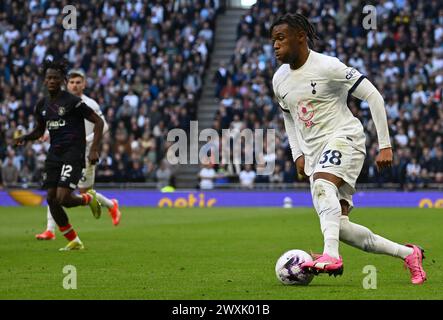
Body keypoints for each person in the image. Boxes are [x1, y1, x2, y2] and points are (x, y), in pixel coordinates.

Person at [271, 13, 426, 284]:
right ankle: (409, 254)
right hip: (315, 153)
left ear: (300, 37)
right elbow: (289, 116)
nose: (275, 45)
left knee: (322, 185)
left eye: (281, 38)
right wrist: (297, 153)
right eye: (273, 40)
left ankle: (331, 255)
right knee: (340, 227)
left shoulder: (328, 66)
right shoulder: (279, 80)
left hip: (346, 138)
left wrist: (385, 145)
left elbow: (373, 95)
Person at [14, 59, 104, 251]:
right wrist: (26, 137)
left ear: (62, 80)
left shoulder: (73, 102)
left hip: (74, 153)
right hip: (54, 154)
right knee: (51, 198)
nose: (52, 81)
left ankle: (88, 199)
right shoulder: (42, 105)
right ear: (45, 81)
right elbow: (40, 130)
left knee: (63, 198)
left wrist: (94, 148)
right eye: (49, 78)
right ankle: (74, 241)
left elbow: (99, 122)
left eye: (56, 78)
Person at [35, 68, 121, 241]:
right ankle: (50, 229)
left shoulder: (91, 104)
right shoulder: (60, 102)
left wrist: (87, 140)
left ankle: (111, 204)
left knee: (84, 190)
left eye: (78, 82)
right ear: (67, 83)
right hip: (65, 153)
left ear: (84, 84)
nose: (74, 85)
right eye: (72, 82)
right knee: (55, 189)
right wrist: (46, 133)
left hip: (86, 153)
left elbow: (104, 126)